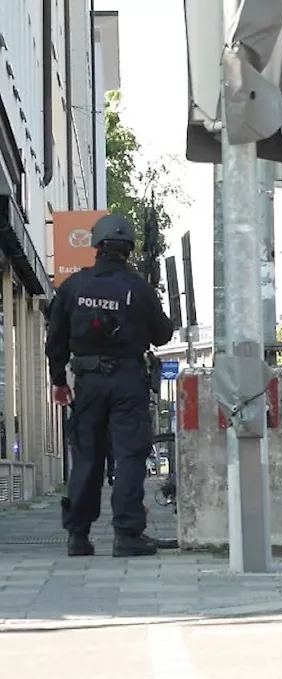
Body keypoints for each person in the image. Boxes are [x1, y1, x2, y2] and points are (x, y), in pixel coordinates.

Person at [46, 213, 175, 557]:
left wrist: (59, 380)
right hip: (127, 381)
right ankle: (128, 535)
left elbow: (55, 338)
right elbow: (163, 334)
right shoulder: (139, 287)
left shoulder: (73, 286)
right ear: (128, 249)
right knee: (130, 456)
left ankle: (78, 535)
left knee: (87, 457)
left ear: (96, 246)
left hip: (87, 382)